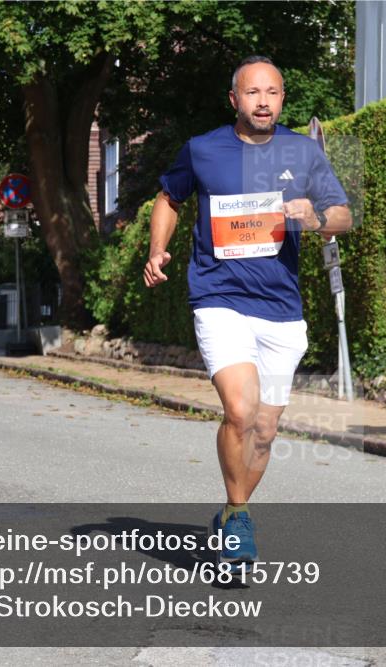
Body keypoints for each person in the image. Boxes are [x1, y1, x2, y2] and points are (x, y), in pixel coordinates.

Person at [143, 55, 352, 571]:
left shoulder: (302, 152)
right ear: (234, 99)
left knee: (264, 430)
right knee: (240, 411)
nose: (263, 101)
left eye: (273, 92)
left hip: (281, 308)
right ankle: (238, 519)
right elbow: (169, 198)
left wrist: (318, 215)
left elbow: (344, 216)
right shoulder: (203, 149)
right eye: (253, 92)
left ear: (283, 99)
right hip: (219, 299)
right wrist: (156, 249)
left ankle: (232, 511)